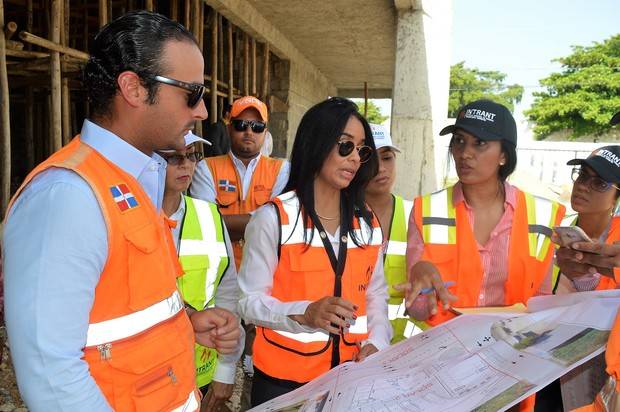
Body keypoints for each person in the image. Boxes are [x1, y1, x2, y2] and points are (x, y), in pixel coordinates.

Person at [2, 11, 239, 411]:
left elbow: (122, 310)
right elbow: (52, 374)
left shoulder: (140, 178)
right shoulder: (67, 196)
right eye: (192, 93)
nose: (202, 112)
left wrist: (179, 327)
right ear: (132, 88)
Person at [238, 97, 392, 407]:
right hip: (283, 387)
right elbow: (247, 302)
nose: (354, 159)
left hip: (350, 381)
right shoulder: (274, 218)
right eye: (344, 145)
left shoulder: (367, 223)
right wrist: (305, 313)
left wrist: (377, 342)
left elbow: (376, 296)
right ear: (316, 142)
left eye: (361, 151)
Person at [402, 99, 566, 328]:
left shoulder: (541, 216)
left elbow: (540, 298)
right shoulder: (426, 210)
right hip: (445, 351)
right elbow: (417, 310)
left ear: (504, 156)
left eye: (479, 143)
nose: (464, 153)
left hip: (509, 351)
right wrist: (419, 287)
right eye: (459, 141)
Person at [161, 132, 244, 411]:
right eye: (173, 157)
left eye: (192, 155)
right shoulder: (125, 219)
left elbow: (228, 297)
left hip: (201, 372)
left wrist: (225, 371)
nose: (186, 165)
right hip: (148, 378)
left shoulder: (210, 216)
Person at [191, 95, 290, 270]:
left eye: (257, 127)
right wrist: (262, 221)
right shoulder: (206, 167)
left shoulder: (281, 169)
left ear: (266, 132)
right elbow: (204, 224)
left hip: (264, 273)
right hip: (218, 271)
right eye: (241, 125)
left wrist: (224, 222)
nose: (249, 132)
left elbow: (279, 226)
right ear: (229, 128)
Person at [364, 123, 418, 343]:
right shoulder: (337, 217)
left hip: (403, 349)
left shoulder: (414, 216)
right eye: (370, 160)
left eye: (387, 158)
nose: (380, 168)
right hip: (351, 351)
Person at [554, 145, 620, 293]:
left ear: (616, 199)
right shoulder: (553, 225)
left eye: (599, 183)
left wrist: (584, 280)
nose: (583, 186)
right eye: (583, 175)